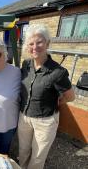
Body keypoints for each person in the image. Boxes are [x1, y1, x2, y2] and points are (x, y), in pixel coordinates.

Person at [18, 24, 75, 169]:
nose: (35, 47)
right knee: (23, 152)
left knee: (37, 158)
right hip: (24, 118)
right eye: (31, 43)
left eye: (39, 42)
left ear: (47, 43)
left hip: (45, 121)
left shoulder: (58, 72)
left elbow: (70, 97)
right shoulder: (26, 64)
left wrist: (56, 102)